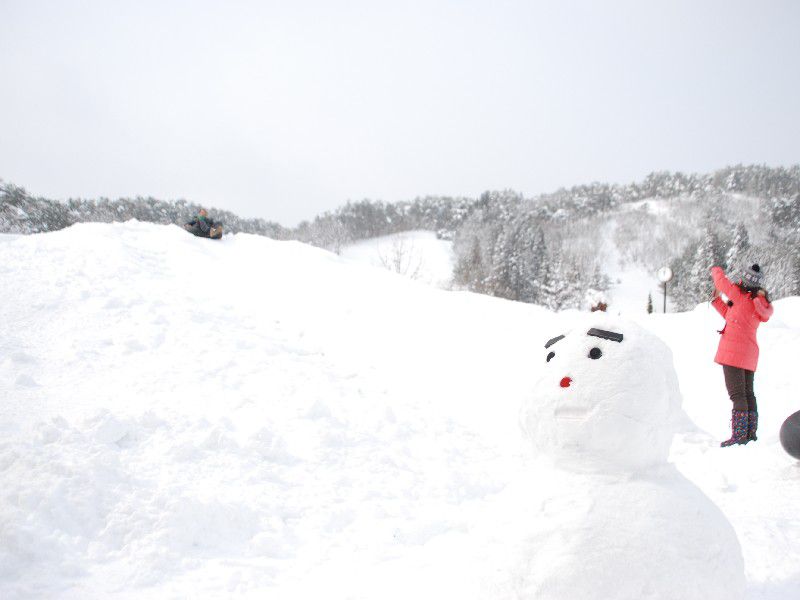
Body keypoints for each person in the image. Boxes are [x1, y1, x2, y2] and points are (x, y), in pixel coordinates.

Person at [710, 263, 773, 447]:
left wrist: (715, 269)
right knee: (747, 394)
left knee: (738, 395)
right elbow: (733, 317)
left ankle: (739, 437)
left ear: (744, 279)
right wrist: (716, 302)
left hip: (733, 354)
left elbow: (721, 283)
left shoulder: (739, 295)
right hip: (749, 354)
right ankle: (750, 434)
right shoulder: (755, 302)